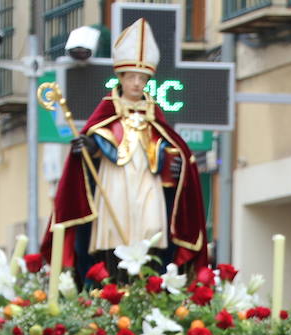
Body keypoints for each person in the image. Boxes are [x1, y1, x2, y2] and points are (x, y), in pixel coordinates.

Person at [52, 17, 206, 270]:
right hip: (114, 180)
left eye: (142, 78)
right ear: (121, 78)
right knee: (114, 230)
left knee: (152, 228)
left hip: (148, 181)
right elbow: (92, 149)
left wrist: (177, 170)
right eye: (132, 77)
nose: (137, 83)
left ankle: (150, 282)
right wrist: (87, 149)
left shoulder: (155, 118)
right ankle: (112, 283)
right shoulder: (105, 114)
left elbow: (171, 151)